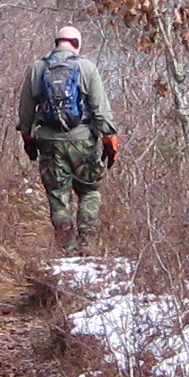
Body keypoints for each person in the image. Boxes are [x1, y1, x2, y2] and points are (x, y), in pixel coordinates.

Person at [16, 23, 118, 248]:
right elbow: (101, 110)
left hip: (49, 142)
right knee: (90, 191)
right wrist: (110, 141)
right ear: (77, 45)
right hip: (83, 141)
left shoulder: (37, 68)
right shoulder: (87, 68)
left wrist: (28, 140)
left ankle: (66, 251)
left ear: (56, 44)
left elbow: (25, 111)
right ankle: (86, 244)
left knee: (58, 195)